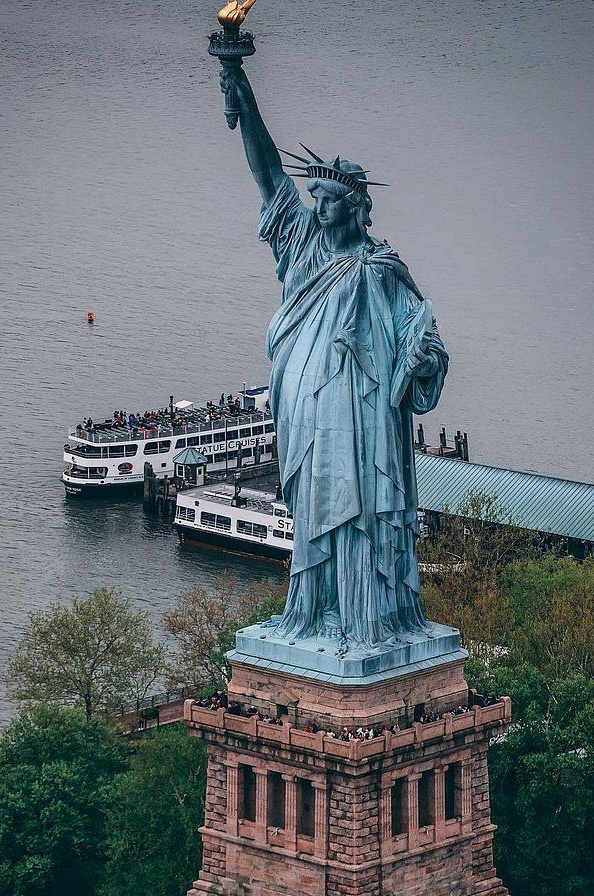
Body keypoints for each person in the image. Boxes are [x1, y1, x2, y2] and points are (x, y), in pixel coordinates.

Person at [219, 67, 448, 648]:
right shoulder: (299, 242)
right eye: (314, 198)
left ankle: (366, 617)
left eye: (328, 200)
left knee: (362, 510)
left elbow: (421, 336)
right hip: (307, 403)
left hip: (365, 414)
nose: (317, 208)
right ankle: (315, 611)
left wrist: (424, 358)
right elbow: (268, 174)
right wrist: (242, 89)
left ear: (355, 206)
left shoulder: (382, 268)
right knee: (317, 499)